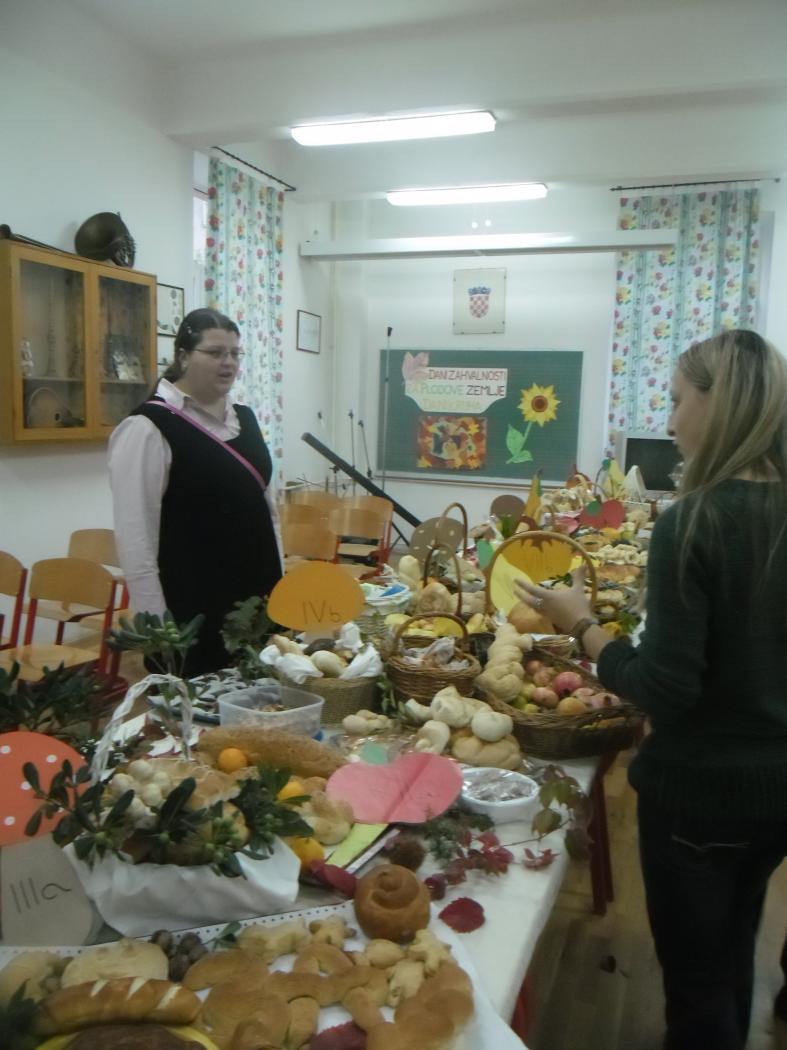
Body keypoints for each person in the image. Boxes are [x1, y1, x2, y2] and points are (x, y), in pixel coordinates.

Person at [516, 329, 787, 1050]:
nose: (668, 423)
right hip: (775, 791)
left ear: (717, 404)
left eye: (675, 400)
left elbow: (662, 688)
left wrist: (581, 625)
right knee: (734, 945)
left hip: (701, 795)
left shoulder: (695, 521)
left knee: (697, 989)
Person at [108, 308, 283, 677]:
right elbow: (136, 541)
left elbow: (267, 510)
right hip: (194, 602)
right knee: (201, 702)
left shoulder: (245, 418)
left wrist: (279, 580)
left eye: (235, 353)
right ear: (184, 356)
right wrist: (159, 632)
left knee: (264, 696)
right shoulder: (147, 427)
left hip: (256, 594)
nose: (228, 362)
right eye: (215, 352)